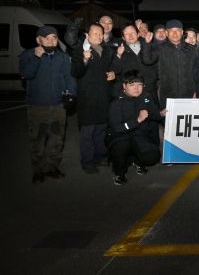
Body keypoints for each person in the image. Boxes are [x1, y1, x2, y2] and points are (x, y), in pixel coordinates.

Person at [19, 26, 77, 183]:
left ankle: (52, 167)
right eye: (47, 37)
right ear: (38, 40)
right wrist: (36, 57)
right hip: (38, 107)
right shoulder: (28, 55)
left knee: (56, 139)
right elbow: (26, 74)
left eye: (54, 37)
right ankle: (37, 170)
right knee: (37, 140)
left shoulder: (62, 57)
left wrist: (71, 94)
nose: (51, 40)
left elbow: (69, 77)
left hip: (58, 106)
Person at [71, 23, 116, 174]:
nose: (98, 36)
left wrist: (113, 74)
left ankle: (99, 156)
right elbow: (75, 72)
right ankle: (87, 162)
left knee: (101, 130)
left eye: (100, 33)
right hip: (87, 99)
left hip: (103, 97)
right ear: (87, 35)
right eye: (94, 33)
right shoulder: (79, 50)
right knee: (87, 132)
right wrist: (84, 60)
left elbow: (112, 68)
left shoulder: (108, 51)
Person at [107, 70, 164, 186]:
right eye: (132, 85)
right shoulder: (117, 102)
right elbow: (117, 128)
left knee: (153, 157)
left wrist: (161, 114)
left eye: (139, 85)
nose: (136, 88)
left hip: (139, 136)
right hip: (121, 137)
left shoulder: (146, 97)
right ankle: (119, 172)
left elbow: (154, 114)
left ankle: (136, 160)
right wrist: (137, 120)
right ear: (124, 86)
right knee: (122, 146)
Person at [142, 19, 196, 110]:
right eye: (171, 31)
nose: (175, 33)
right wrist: (147, 44)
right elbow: (147, 60)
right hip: (168, 95)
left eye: (177, 30)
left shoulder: (191, 49)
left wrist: (196, 91)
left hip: (188, 94)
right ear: (167, 33)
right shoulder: (160, 48)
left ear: (182, 32)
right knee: (169, 118)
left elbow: (196, 73)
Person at [112, 24, 158, 102]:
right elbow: (115, 71)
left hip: (149, 89)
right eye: (126, 34)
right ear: (123, 38)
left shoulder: (150, 46)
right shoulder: (118, 50)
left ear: (138, 34)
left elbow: (156, 65)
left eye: (132, 32)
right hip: (130, 92)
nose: (130, 35)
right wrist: (118, 55)